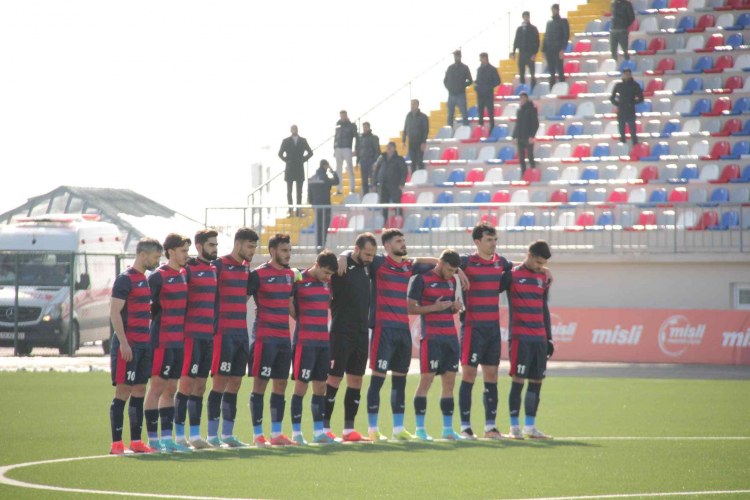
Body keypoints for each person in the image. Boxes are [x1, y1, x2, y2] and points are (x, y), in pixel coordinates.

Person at [338, 230, 466, 441]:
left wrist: (458, 270)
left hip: (403, 330)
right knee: (378, 380)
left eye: (404, 240)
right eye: (399, 241)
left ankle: (398, 429)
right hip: (383, 329)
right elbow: (354, 254)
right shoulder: (378, 263)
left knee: (400, 381)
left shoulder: (409, 265)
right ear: (387, 245)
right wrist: (342, 256)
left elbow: (436, 263)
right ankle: (373, 429)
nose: (403, 243)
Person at [457, 223, 512, 441]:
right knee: (469, 375)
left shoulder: (501, 262)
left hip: (493, 329)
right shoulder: (466, 261)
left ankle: (490, 427)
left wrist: (544, 269)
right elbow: (442, 262)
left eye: (495, 239)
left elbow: (521, 267)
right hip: (472, 328)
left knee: (492, 376)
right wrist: (458, 270)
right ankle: (465, 427)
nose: (493, 244)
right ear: (477, 242)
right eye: (489, 240)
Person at [108, 237, 163, 455]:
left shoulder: (145, 280)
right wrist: (123, 343)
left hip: (144, 345)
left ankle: (136, 441)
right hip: (128, 345)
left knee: (140, 390)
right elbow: (114, 313)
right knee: (124, 391)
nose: (157, 262)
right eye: (156, 257)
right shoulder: (125, 280)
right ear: (143, 255)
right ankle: (116, 443)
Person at [206, 227, 259, 448]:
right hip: (223, 334)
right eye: (250, 246)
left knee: (236, 383)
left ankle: (227, 434)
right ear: (238, 244)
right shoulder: (218, 265)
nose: (253, 251)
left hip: (241, 334)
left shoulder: (246, 268)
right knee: (219, 383)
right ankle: (212, 435)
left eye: (255, 247)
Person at [323, 232, 377, 442]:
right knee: (334, 378)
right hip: (341, 332)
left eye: (372, 254)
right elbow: (321, 266)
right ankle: (324, 429)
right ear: (356, 249)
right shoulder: (341, 266)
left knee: (356, 379)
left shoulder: (368, 266)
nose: (370, 258)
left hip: (362, 333)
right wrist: (342, 255)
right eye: (367, 253)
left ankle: (348, 430)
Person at [407, 249, 465, 441]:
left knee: (449, 384)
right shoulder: (421, 279)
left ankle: (447, 430)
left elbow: (451, 307)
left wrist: (455, 308)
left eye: (454, 271)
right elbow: (410, 308)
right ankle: (420, 429)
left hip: (450, 338)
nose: (451, 274)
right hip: (431, 338)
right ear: (440, 263)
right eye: (449, 269)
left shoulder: (453, 280)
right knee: (426, 382)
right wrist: (435, 307)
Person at [500, 240, 554, 440]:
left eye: (543, 264)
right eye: (538, 262)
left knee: (537, 380)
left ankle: (530, 427)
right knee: (518, 380)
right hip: (520, 337)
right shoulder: (511, 275)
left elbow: (544, 308)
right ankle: (514, 427)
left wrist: (549, 338)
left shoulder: (543, 277)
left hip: (539, 338)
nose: (541, 266)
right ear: (529, 255)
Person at [247, 233, 296, 447]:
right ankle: (258, 435)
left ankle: (276, 434)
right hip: (264, 339)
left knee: (281, 384)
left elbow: (291, 306)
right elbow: (242, 301)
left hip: (284, 338)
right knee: (260, 384)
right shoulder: (258, 275)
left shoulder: (290, 275)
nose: (288, 254)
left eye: (289, 250)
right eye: (284, 250)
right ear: (273, 251)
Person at [144, 233, 191, 453]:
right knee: (157, 388)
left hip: (178, 342)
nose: (186, 255)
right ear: (171, 252)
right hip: (162, 341)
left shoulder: (183, 274)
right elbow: (148, 307)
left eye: (187, 251)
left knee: (171, 389)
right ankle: (153, 440)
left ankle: (167, 438)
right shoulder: (157, 277)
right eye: (183, 251)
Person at [173, 229, 219, 450]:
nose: (215, 249)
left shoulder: (214, 269)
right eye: (211, 245)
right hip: (191, 337)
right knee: (186, 385)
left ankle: (195, 435)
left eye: (216, 245)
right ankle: (178, 436)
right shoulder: (188, 269)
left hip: (208, 337)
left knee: (200, 386)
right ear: (199, 247)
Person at [288, 250, 340, 445]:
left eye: (330, 274)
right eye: (325, 272)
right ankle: (296, 433)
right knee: (301, 387)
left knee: (320, 387)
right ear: (316, 265)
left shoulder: (328, 283)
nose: (328, 277)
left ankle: (319, 433)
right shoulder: (299, 279)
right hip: (304, 342)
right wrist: (301, 319)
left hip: (323, 343)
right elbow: (289, 302)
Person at [278, 125, 314, 216]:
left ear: (297, 130)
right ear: (291, 130)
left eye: (295, 129)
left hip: (299, 167)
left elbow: (310, 152)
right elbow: (280, 154)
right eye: (293, 129)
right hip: (290, 168)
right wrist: (287, 161)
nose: (294, 130)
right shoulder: (286, 141)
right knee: (289, 192)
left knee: (299, 192)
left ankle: (298, 211)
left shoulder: (303, 140)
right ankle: (290, 211)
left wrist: (303, 160)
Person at [307, 159, 340, 252]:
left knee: (318, 228)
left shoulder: (311, 179)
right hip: (325, 207)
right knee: (324, 228)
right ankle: (322, 247)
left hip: (316, 208)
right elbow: (336, 181)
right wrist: (332, 171)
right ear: (325, 166)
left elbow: (309, 197)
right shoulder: (325, 178)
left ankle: (318, 247)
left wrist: (313, 205)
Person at [373, 142, 408, 221]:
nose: (388, 148)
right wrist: (374, 183)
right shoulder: (382, 158)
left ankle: (400, 220)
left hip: (394, 185)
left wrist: (402, 183)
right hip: (383, 185)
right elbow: (376, 171)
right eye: (388, 147)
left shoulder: (399, 159)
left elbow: (404, 171)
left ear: (394, 148)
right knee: (384, 205)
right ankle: (384, 221)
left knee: (397, 204)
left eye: (391, 147)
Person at [610, 68, 643, 146]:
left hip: (630, 111)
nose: (627, 76)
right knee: (622, 133)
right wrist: (618, 104)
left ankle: (635, 147)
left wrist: (632, 103)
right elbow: (612, 98)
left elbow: (641, 98)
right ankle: (622, 148)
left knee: (633, 133)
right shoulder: (619, 85)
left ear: (631, 75)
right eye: (626, 74)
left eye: (628, 74)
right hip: (621, 112)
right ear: (623, 75)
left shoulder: (635, 85)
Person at [444, 49, 473, 127]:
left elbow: (470, 80)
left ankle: (466, 128)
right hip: (451, 95)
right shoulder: (450, 68)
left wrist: (462, 86)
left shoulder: (465, 68)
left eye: (457, 56)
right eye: (455, 56)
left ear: (460, 56)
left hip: (461, 94)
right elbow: (445, 80)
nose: (456, 57)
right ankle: (449, 130)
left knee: (464, 114)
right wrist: (449, 88)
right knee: (450, 115)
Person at [511, 11, 540, 88]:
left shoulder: (533, 28)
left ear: (529, 17)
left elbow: (537, 42)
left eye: (527, 16)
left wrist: (534, 53)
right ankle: (523, 88)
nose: (526, 18)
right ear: (523, 18)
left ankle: (533, 87)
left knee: (532, 73)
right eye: (524, 17)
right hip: (522, 53)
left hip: (530, 53)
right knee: (521, 73)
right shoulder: (519, 29)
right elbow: (516, 40)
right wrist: (513, 52)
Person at [543, 4, 570, 88]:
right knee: (551, 72)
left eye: (555, 9)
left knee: (560, 70)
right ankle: (552, 89)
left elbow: (566, 35)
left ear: (558, 10)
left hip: (558, 49)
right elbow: (546, 36)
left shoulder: (563, 21)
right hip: (549, 49)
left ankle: (562, 88)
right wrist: (543, 49)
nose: (553, 11)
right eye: (552, 9)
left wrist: (562, 49)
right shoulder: (549, 23)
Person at [513, 92, 540, 175]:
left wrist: (532, 136)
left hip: (528, 137)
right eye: (521, 98)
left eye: (523, 98)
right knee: (521, 158)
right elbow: (517, 124)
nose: (522, 100)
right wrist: (514, 136)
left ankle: (533, 173)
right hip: (520, 136)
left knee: (530, 156)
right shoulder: (519, 110)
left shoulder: (532, 109)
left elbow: (535, 124)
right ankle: (523, 174)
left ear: (526, 98)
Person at [475, 53, 501, 133]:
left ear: (485, 58)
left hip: (488, 94)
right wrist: (476, 86)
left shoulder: (492, 69)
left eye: (481, 58)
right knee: (480, 113)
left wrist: (489, 86)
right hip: (480, 94)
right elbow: (477, 80)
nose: (480, 60)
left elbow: (498, 81)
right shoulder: (479, 69)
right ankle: (480, 129)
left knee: (490, 113)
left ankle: (492, 128)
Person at [334, 110, 358, 194]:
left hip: (347, 148)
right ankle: (339, 189)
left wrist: (356, 149)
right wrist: (334, 148)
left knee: (350, 168)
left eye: (344, 115)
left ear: (346, 115)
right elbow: (335, 137)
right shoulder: (338, 124)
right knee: (338, 169)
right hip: (338, 148)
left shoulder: (351, 125)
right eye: (341, 116)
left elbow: (356, 137)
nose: (342, 117)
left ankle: (352, 188)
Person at [402, 99, 429, 172]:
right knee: (412, 162)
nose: (412, 106)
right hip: (411, 142)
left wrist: (423, 142)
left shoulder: (423, 117)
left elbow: (426, 130)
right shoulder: (408, 116)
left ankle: (422, 175)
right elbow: (405, 128)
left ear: (417, 105)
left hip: (419, 142)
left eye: (414, 104)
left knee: (419, 161)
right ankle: (413, 176)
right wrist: (403, 140)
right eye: (411, 104)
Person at [356, 122, 380, 194]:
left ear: (369, 128)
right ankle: (365, 195)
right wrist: (357, 161)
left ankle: (375, 194)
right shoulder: (360, 138)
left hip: (371, 160)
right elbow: (359, 150)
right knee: (364, 180)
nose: (364, 129)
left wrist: (376, 162)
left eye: (366, 127)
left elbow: (377, 150)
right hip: (363, 161)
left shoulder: (374, 138)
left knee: (373, 180)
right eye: (363, 127)